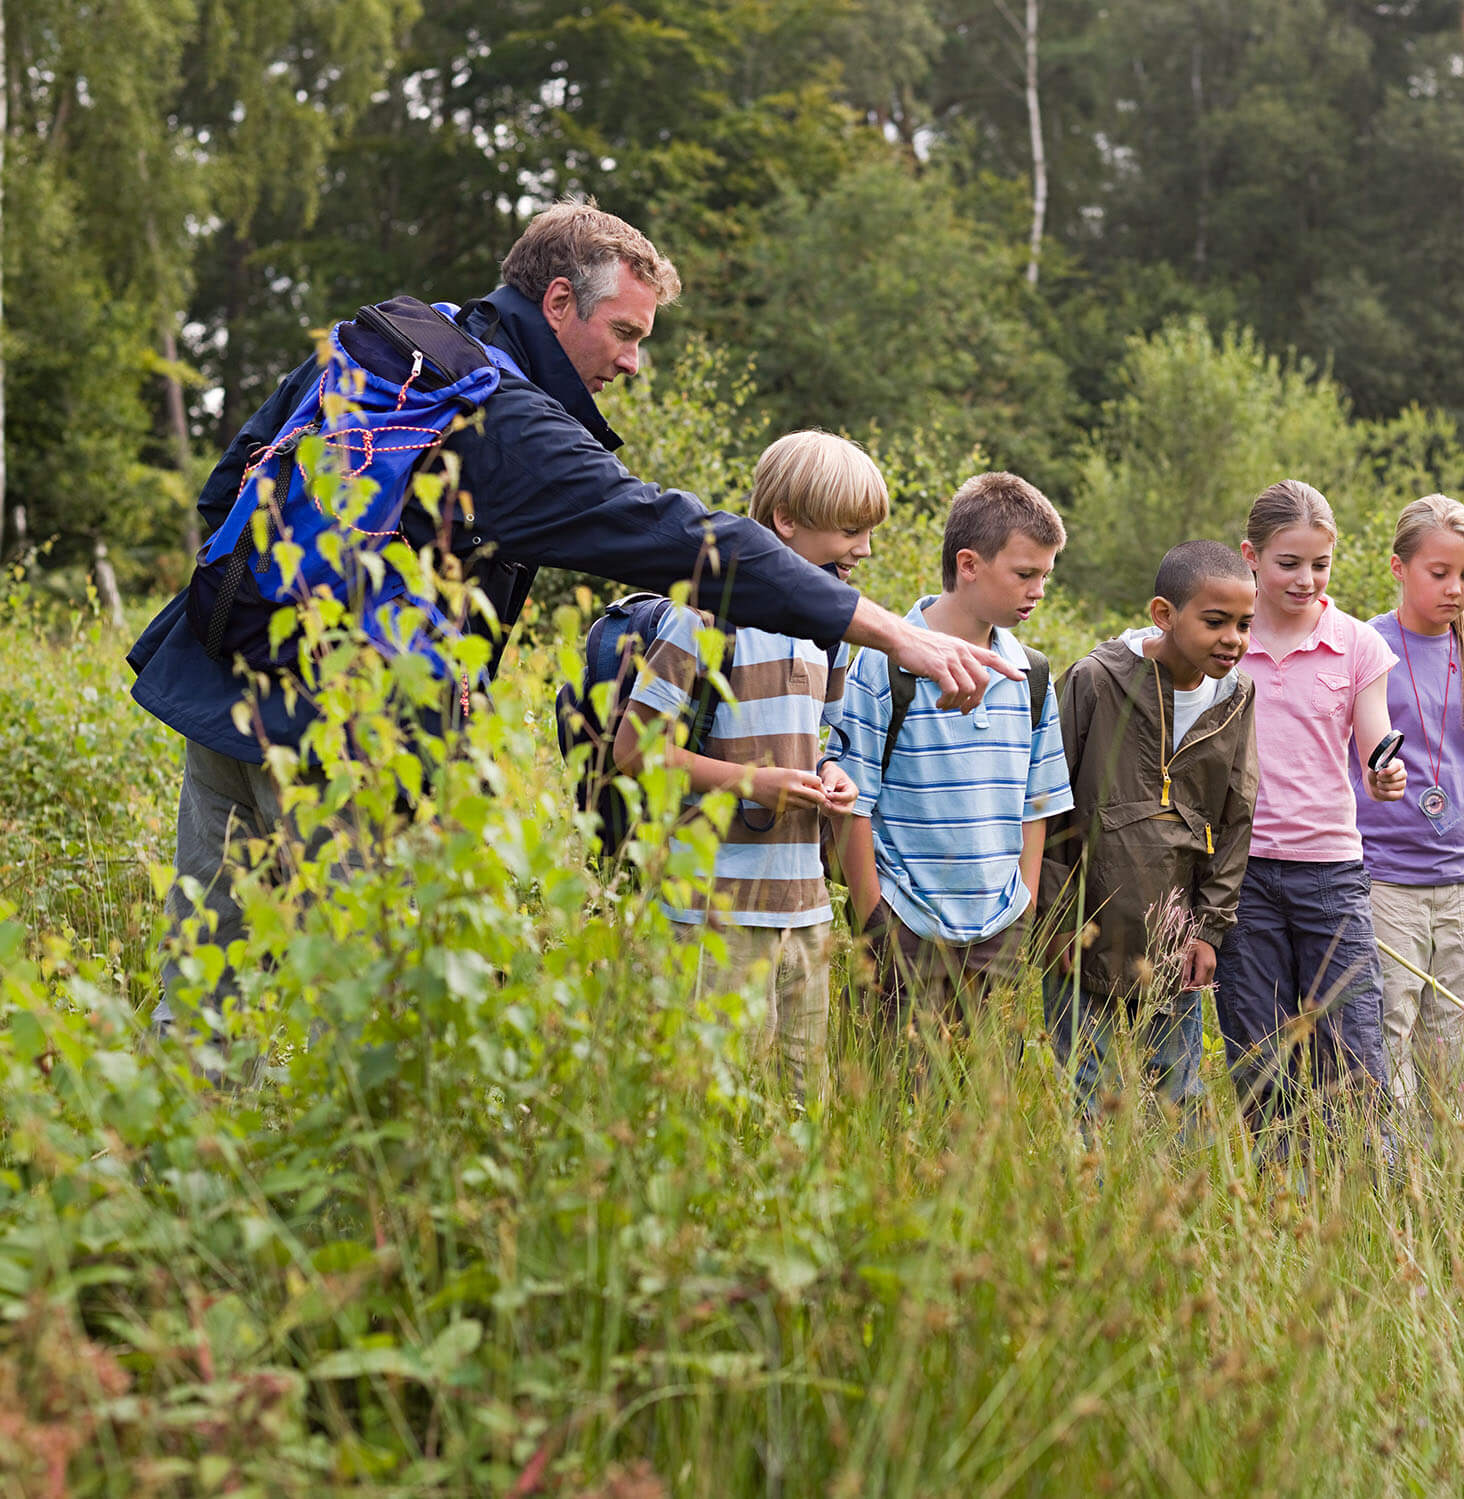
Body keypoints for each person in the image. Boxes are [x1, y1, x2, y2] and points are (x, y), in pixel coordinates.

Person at [130, 198, 1013, 1025]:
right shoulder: (502, 416)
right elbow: (692, 542)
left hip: (224, 689)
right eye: (625, 331)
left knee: (206, 982)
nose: (632, 360)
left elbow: (226, 490)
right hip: (349, 743)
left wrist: (273, 628)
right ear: (558, 301)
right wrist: (897, 630)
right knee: (367, 1010)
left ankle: (180, 1170)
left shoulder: (390, 346)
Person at [612, 431, 885, 1099]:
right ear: (787, 521)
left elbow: (818, 739)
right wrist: (751, 782)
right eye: (850, 530)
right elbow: (633, 749)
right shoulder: (705, 617)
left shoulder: (831, 629)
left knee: (802, 1109)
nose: (865, 549)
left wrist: (831, 773)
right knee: (714, 1104)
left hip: (807, 912)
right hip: (715, 913)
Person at [833, 473, 1074, 1037]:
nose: (1038, 590)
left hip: (999, 932)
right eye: (1024, 574)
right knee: (890, 1101)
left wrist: (1025, 907)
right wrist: (875, 921)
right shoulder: (882, 663)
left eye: (1045, 575)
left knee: (981, 1110)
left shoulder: (1031, 673)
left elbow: (1035, 805)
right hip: (906, 925)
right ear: (969, 564)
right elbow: (851, 804)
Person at [1211, 479, 1407, 1157]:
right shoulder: (1224, 642)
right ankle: (1280, 1197)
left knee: (1354, 1047)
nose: (1305, 578)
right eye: (1288, 562)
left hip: (1330, 874)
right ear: (1251, 557)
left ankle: (1373, 1199)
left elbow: (1374, 739)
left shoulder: (1356, 644)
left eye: (1319, 564)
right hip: (1243, 877)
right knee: (1260, 1054)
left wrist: (1386, 772)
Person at [1039, 540, 1260, 1129]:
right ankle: (1086, 1208)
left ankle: (1171, 1215)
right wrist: (1056, 922)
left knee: (1178, 1093)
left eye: (1244, 624)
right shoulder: (1094, 680)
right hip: (1085, 933)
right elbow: (1048, 805)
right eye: (1215, 622)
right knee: (1084, 1089)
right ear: (1164, 614)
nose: (1233, 639)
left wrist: (1209, 930)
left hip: (1176, 939)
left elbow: (1236, 818)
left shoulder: (1238, 699)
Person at [1350, 493, 1464, 1124]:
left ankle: (1446, 1173)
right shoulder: (1364, 647)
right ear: (1399, 567)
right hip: (1385, 877)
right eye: (1440, 574)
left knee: (1454, 1035)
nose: (1455, 589)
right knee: (1387, 1025)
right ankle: (1392, 1172)